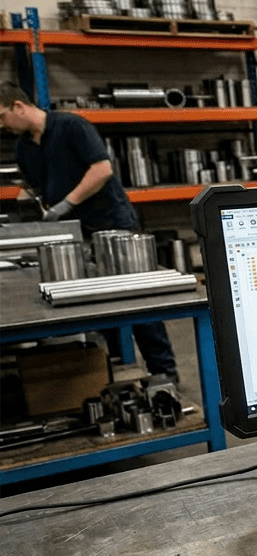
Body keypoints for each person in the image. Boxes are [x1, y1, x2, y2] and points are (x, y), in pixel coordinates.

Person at [1, 83, 180, 383]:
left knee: (139, 301)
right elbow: (37, 189)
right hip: (74, 233)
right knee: (97, 305)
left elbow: (101, 169)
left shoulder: (72, 126)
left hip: (112, 225)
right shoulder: (23, 148)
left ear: (18, 106)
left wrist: (66, 204)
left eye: (2, 116)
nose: (1, 125)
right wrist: (38, 209)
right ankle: (117, 370)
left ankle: (165, 374)